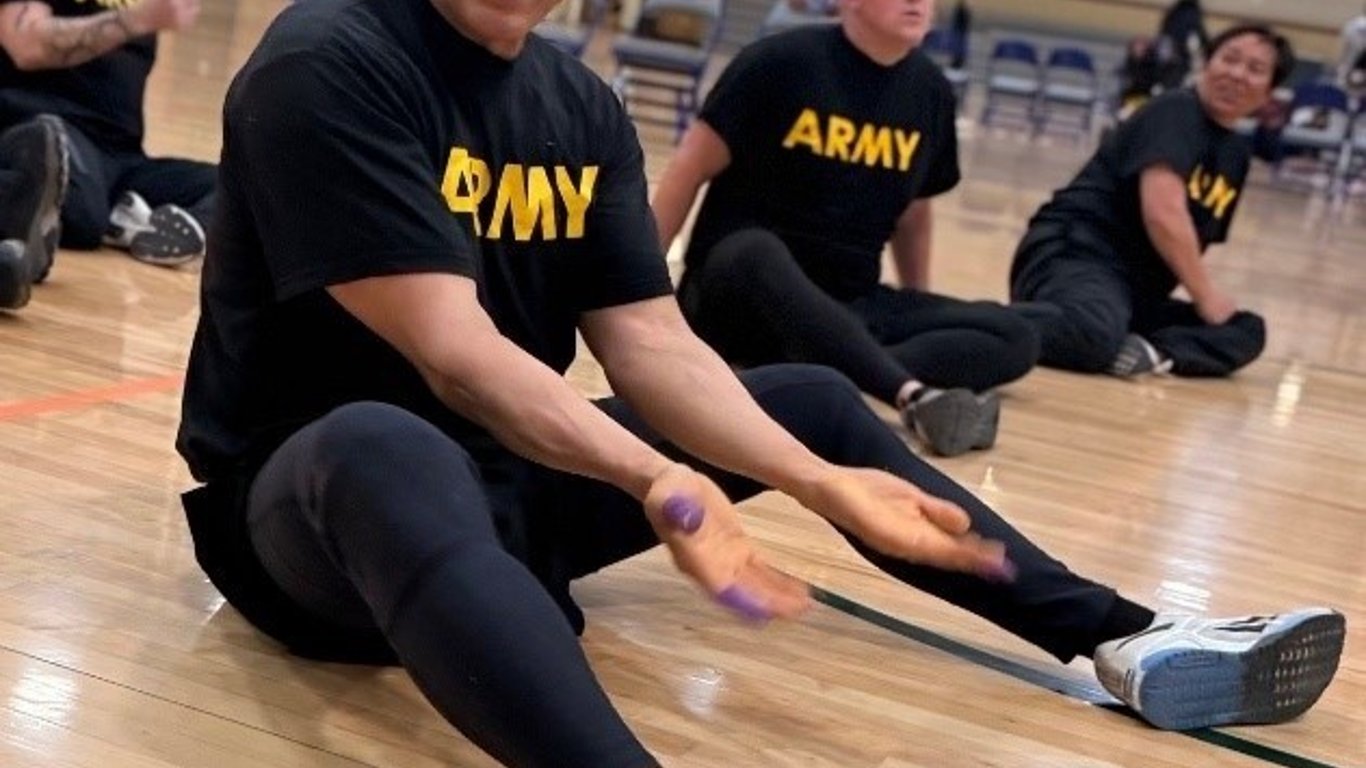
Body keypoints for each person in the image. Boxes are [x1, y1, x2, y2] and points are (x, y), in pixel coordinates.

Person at [175, 1, 1345, 765]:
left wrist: (820, 484)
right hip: (313, 519)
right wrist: (670, 488)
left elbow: (648, 335)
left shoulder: (574, 104)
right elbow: (456, 356)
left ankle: (1129, 637)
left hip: (503, 496)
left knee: (813, 406)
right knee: (386, 436)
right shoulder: (332, 59)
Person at [652, 0, 1037, 458]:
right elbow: (688, 169)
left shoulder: (931, 92)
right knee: (752, 250)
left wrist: (918, 299)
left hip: (850, 299)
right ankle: (911, 395)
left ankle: (814, 370)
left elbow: (915, 215)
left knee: (1015, 335)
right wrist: (643, 294)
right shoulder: (779, 62)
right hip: (742, 294)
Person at [1010, 24, 1293, 379]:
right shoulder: (1176, 110)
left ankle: (1150, 352)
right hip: (1076, 257)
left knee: (1247, 329)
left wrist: (1210, 307)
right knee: (1092, 334)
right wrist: (1205, 296)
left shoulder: (1236, 155)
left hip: (1133, 291)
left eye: (1255, 69)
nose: (1237, 74)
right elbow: (1164, 213)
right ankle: (965, 325)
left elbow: (1196, 239)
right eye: (1229, 59)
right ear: (1207, 64)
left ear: (1268, 93)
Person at [0, 0, 215, 310]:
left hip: (121, 157)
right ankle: (101, 218)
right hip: (47, 132)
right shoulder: (140, 12)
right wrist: (140, 19)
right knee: (84, 211)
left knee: (236, 181)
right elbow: (27, 45)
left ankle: (139, 225)